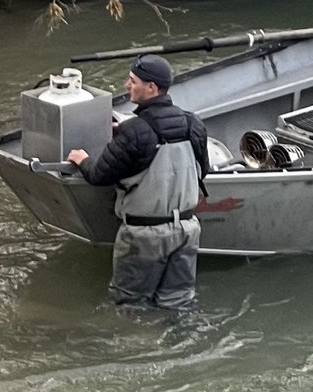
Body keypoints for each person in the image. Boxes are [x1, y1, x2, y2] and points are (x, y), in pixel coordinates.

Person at [65, 53, 209, 311]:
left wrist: (82, 159)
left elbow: (100, 175)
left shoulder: (134, 130)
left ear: (151, 87)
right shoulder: (193, 123)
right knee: (178, 303)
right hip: (187, 230)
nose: (126, 85)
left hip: (144, 235)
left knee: (130, 305)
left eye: (133, 81)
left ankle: (134, 347)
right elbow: (203, 170)